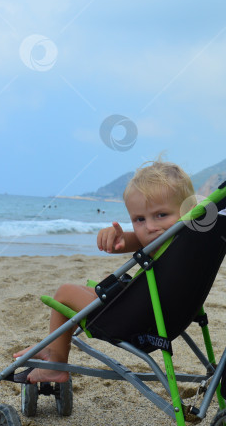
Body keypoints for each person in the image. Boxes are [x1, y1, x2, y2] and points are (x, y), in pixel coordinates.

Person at [14, 159, 195, 383]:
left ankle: (55, 364)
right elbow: (142, 241)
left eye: (161, 215)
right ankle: (52, 349)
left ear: (186, 210)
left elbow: (146, 241)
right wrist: (121, 238)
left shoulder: (170, 241)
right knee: (92, 292)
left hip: (139, 323)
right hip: (165, 315)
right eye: (139, 219)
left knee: (65, 293)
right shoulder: (188, 243)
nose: (149, 227)